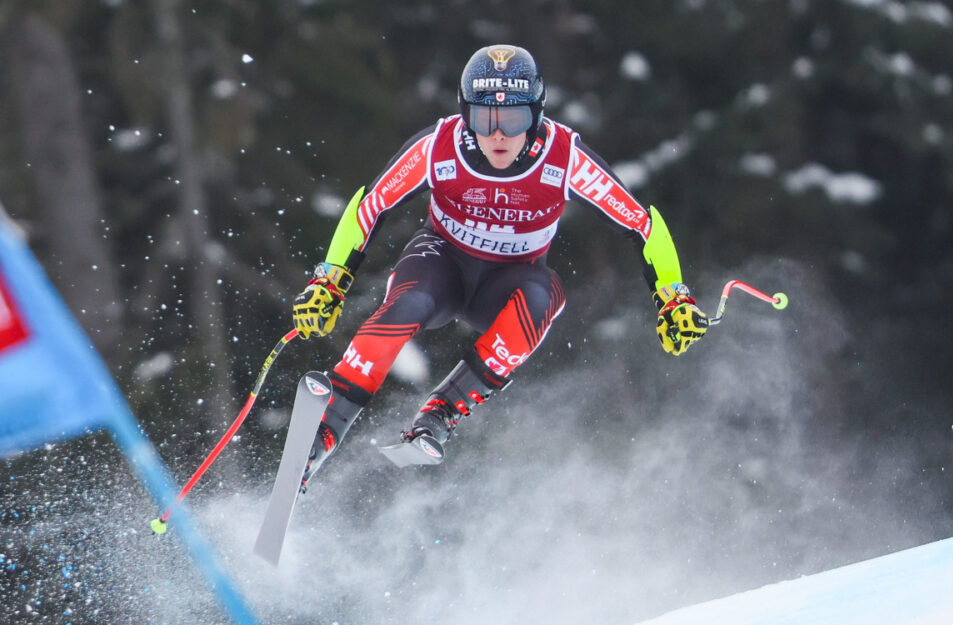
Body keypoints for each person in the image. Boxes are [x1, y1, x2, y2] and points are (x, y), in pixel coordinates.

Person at [292, 44, 709, 489]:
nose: (497, 136)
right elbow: (369, 208)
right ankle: (325, 427)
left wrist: (672, 297)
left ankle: (441, 414)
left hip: (506, 283)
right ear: (464, 113)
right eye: (483, 118)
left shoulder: (564, 156)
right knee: (410, 301)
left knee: (542, 296)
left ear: (537, 115)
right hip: (441, 265)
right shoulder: (439, 146)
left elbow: (641, 225)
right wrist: (330, 281)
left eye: (512, 120)